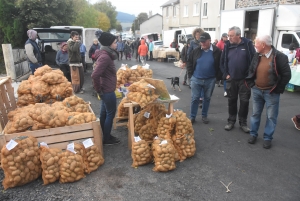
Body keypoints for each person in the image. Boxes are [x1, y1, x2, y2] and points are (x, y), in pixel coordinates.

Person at [245, 35, 291, 149]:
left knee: (271, 116)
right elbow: (251, 70)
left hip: (271, 92)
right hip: (256, 90)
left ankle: (267, 138)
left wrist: (277, 89)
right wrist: (251, 84)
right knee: (255, 114)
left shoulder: (280, 57)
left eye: (256, 43)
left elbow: (286, 75)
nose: (255, 45)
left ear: (263, 45)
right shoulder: (257, 55)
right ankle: (253, 134)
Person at [220, 26, 256, 133]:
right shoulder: (227, 46)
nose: (229, 38)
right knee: (231, 101)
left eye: (231, 36)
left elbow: (254, 61)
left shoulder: (247, 44)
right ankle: (231, 121)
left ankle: (243, 123)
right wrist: (226, 74)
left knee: (244, 102)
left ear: (238, 35)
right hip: (231, 79)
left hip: (244, 80)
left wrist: (250, 76)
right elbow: (222, 62)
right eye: (228, 35)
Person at [91, 31, 120, 145]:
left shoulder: (105, 55)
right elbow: (95, 75)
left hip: (106, 90)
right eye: (114, 42)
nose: (116, 44)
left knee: (104, 114)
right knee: (110, 114)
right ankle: (106, 139)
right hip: (107, 91)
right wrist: (98, 90)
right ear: (109, 44)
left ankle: (105, 135)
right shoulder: (105, 57)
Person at [187, 32, 222, 124]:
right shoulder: (196, 51)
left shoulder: (217, 51)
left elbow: (220, 64)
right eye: (201, 42)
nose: (202, 43)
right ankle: (192, 116)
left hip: (210, 80)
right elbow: (189, 63)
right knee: (195, 98)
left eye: (204, 42)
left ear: (209, 41)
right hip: (196, 79)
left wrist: (217, 77)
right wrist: (190, 76)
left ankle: (204, 116)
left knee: (207, 98)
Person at [187, 28, 205, 107]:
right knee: (196, 82)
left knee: (202, 82)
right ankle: (196, 97)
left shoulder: (203, 42)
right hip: (194, 64)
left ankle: (201, 98)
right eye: (196, 35)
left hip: (202, 64)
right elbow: (189, 53)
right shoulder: (192, 42)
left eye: (199, 35)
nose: (197, 36)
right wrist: (188, 62)